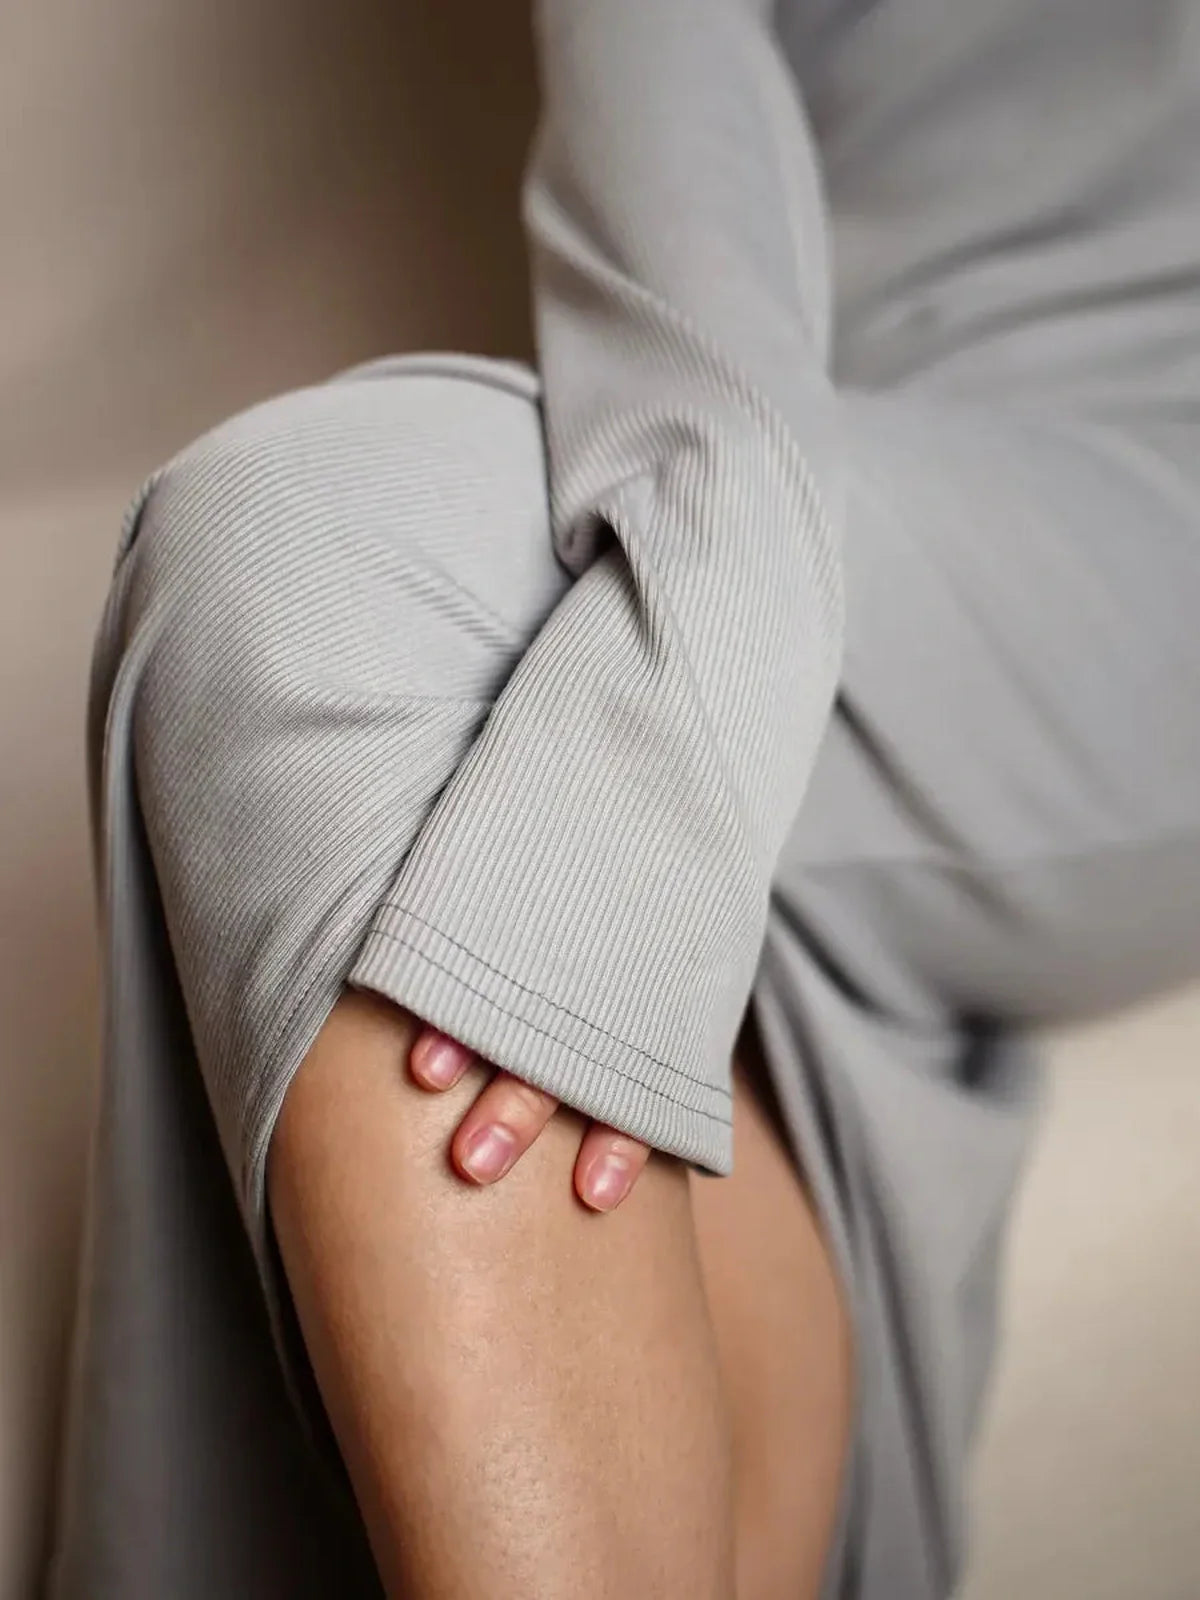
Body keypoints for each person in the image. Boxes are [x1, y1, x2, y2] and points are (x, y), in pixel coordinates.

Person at [48, 1, 1200, 1596]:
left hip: (1153, 557)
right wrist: (712, 600)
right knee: (288, 566)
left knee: (315, 558)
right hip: (840, 448)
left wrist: (659, 739)